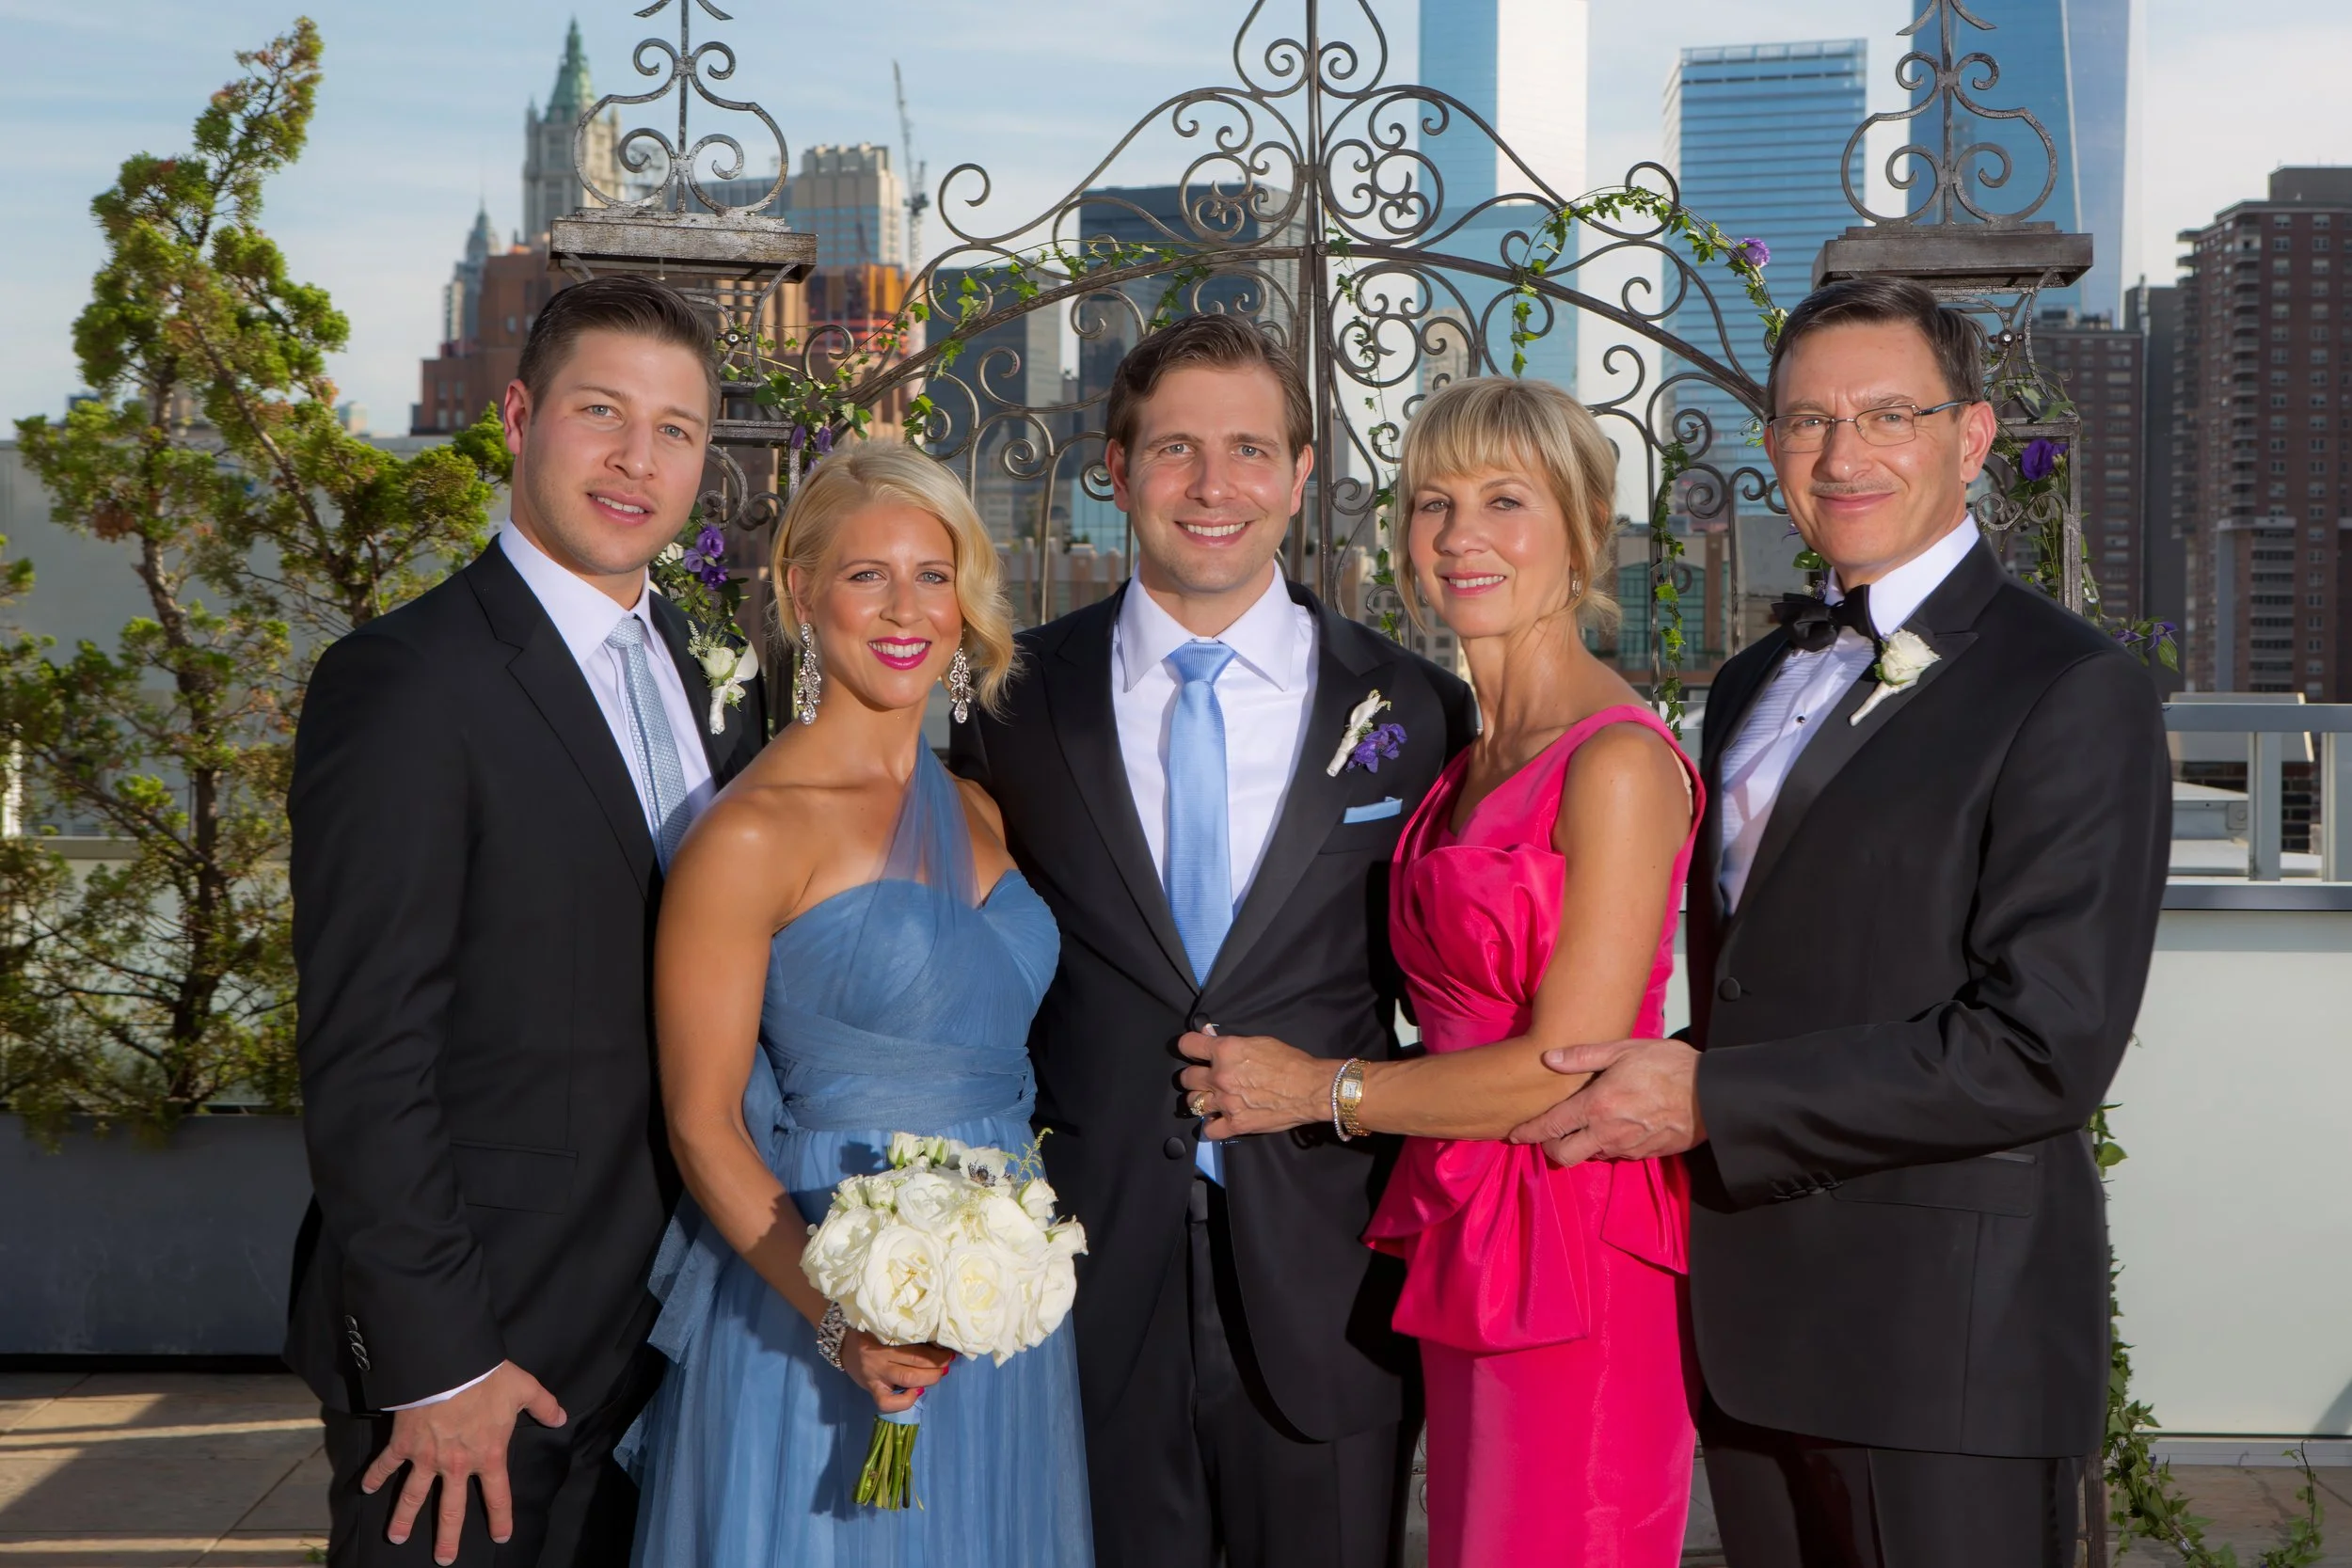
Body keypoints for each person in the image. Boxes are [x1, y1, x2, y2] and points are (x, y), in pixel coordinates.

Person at [1505, 276, 2171, 1566]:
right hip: (1755, 1319)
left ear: (1971, 435)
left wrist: (1710, 1096)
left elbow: (2043, 1046)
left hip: (1946, 1345)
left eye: (1886, 415)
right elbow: (1777, 973)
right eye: (1808, 421)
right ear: (1771, 446)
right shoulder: (1754, 677)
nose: (1841, 453)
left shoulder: (2071, 687)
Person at [950, 314, 1476, 1568]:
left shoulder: (1416, 706)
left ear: (1300, 475)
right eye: (1175, 448)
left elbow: (1464, 985)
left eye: (1249, 449)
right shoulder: (1011, 697)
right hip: (1079, 1270)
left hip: (1333, 1271)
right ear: (1117, 469)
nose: (1212, 484)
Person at [1178, 376, 1702, 1567]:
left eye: (1505, 500)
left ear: (1585, 527)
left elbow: (1564, 1066)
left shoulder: (1614, 761)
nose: (1461, 536)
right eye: (1432, 503)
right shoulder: (1464, 749)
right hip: (1464, 1217)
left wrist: (1320, 1090)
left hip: (1574, 1229)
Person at [287, 276, 767, 1565]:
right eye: (601, 411)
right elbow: (365, 1048)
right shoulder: (405, 681)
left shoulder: (714, 674)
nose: (637, 458)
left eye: (675, 428)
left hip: (680, 1333)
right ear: (517, 416)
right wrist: (438, 1358)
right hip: (484, 1349)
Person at [618, 441, 1094, 1564]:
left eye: (932, 574)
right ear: (801, 591)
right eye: (865, 574)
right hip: (818, 1287)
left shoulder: (978, 806)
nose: (904, 608)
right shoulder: (749, 832)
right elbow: (701, 1120)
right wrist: (842, 1322)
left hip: (999, 1294)